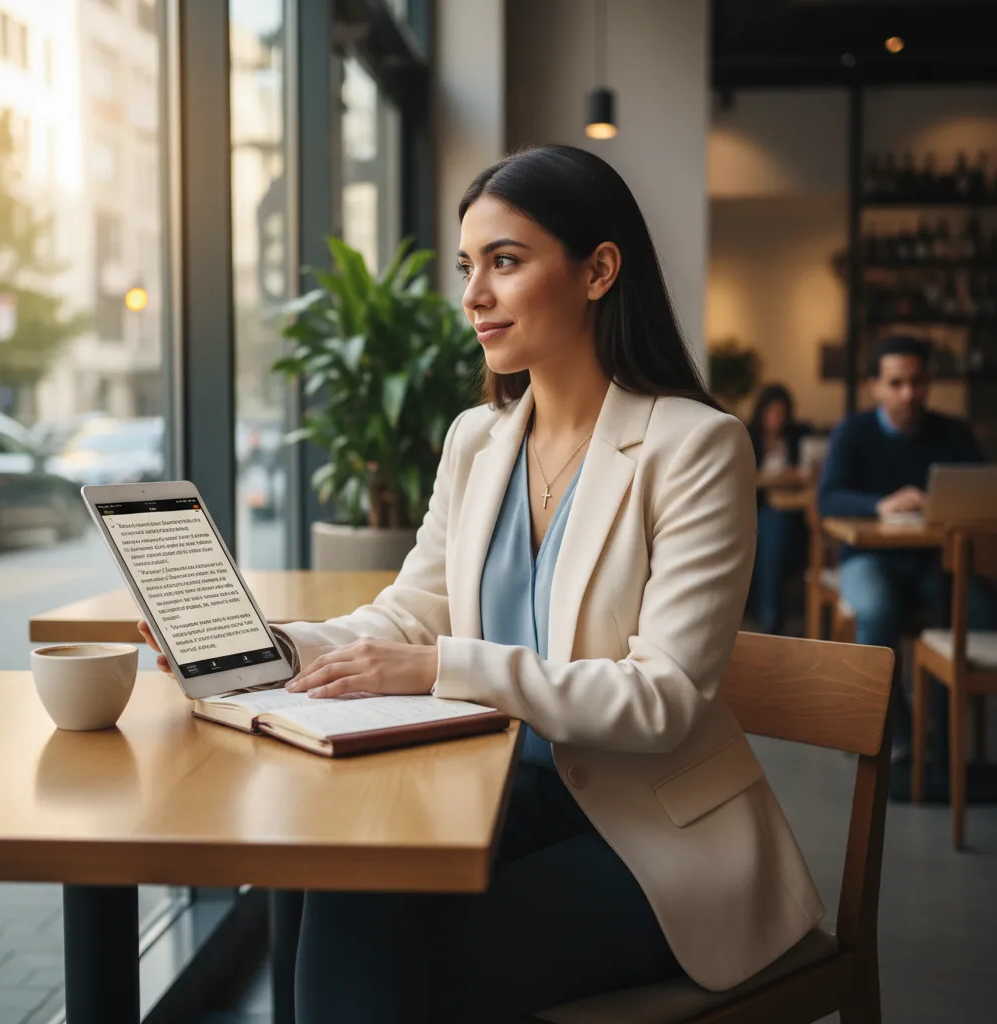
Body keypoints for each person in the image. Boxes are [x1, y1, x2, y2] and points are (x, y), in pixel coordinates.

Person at [141, 146, 823, 1023]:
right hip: (503, 797)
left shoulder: (695, 447)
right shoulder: (477, 439)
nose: (472, 296)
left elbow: (663, 702)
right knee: (345, 883)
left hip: (653, 840)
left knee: (390, 962)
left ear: (598, 271)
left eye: (505, 261)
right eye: (469, 267)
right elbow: (411, 612)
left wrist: (438, 668)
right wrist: (268, 648)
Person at [817, 334, 995, 760]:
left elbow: (981, 497)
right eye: (896, 384)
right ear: (874, 387)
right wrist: (881, 503)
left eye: (916, 382)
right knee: (878, 612)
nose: (908, 394)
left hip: (937, 561)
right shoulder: (853, 432)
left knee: (982, 610)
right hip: (869, 557)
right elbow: (829, 499)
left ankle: (939, 730)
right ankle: (887, 730)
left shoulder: (953, 434)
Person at [747, 383, 812, 634]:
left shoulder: (798, 436)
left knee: (776, 528)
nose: (777, 419)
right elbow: (745, 478)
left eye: (782, 413)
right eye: (772, 412)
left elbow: (809, 473)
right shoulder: (747, 436)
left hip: (796, 514)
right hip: (758, 513)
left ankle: (771, 618)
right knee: (772, 525)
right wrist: (780, 478)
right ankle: (770, 617)